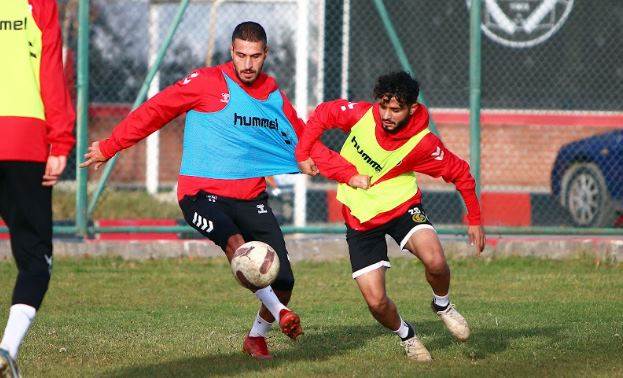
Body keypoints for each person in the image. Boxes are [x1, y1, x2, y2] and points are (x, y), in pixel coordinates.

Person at [80, 22, 356, 360]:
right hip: (200, 194)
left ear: (265, 55)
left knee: (283, 280)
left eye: (255, 56)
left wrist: (351, 174)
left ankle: (256, 337)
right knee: (237, 246)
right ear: (231, 52)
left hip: (251, 198)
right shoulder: (207, 82)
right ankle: (281, 314)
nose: (248, 64)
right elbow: (156, 110)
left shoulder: (273, 96)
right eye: (241, 55)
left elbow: (304, 143)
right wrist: (111, 145)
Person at [296, 71, 486, 361]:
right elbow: (323, 114)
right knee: (375, 301)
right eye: (383, 106)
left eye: (395, 109)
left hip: (402, 208)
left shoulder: (423, 143)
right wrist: (303, 151)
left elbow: (460, 172)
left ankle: (443, 305)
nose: (386, 114)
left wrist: (474, 219)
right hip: (360, 217)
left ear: (411, 108)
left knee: (435, 259)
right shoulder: (362, 115)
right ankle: (406, 336)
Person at [0, 0, 76, 376]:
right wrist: (60, 142)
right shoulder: (39, 4)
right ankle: (6, 350)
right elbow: (50, 71)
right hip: (22, 143)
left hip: (22, 142)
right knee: (34, 261)